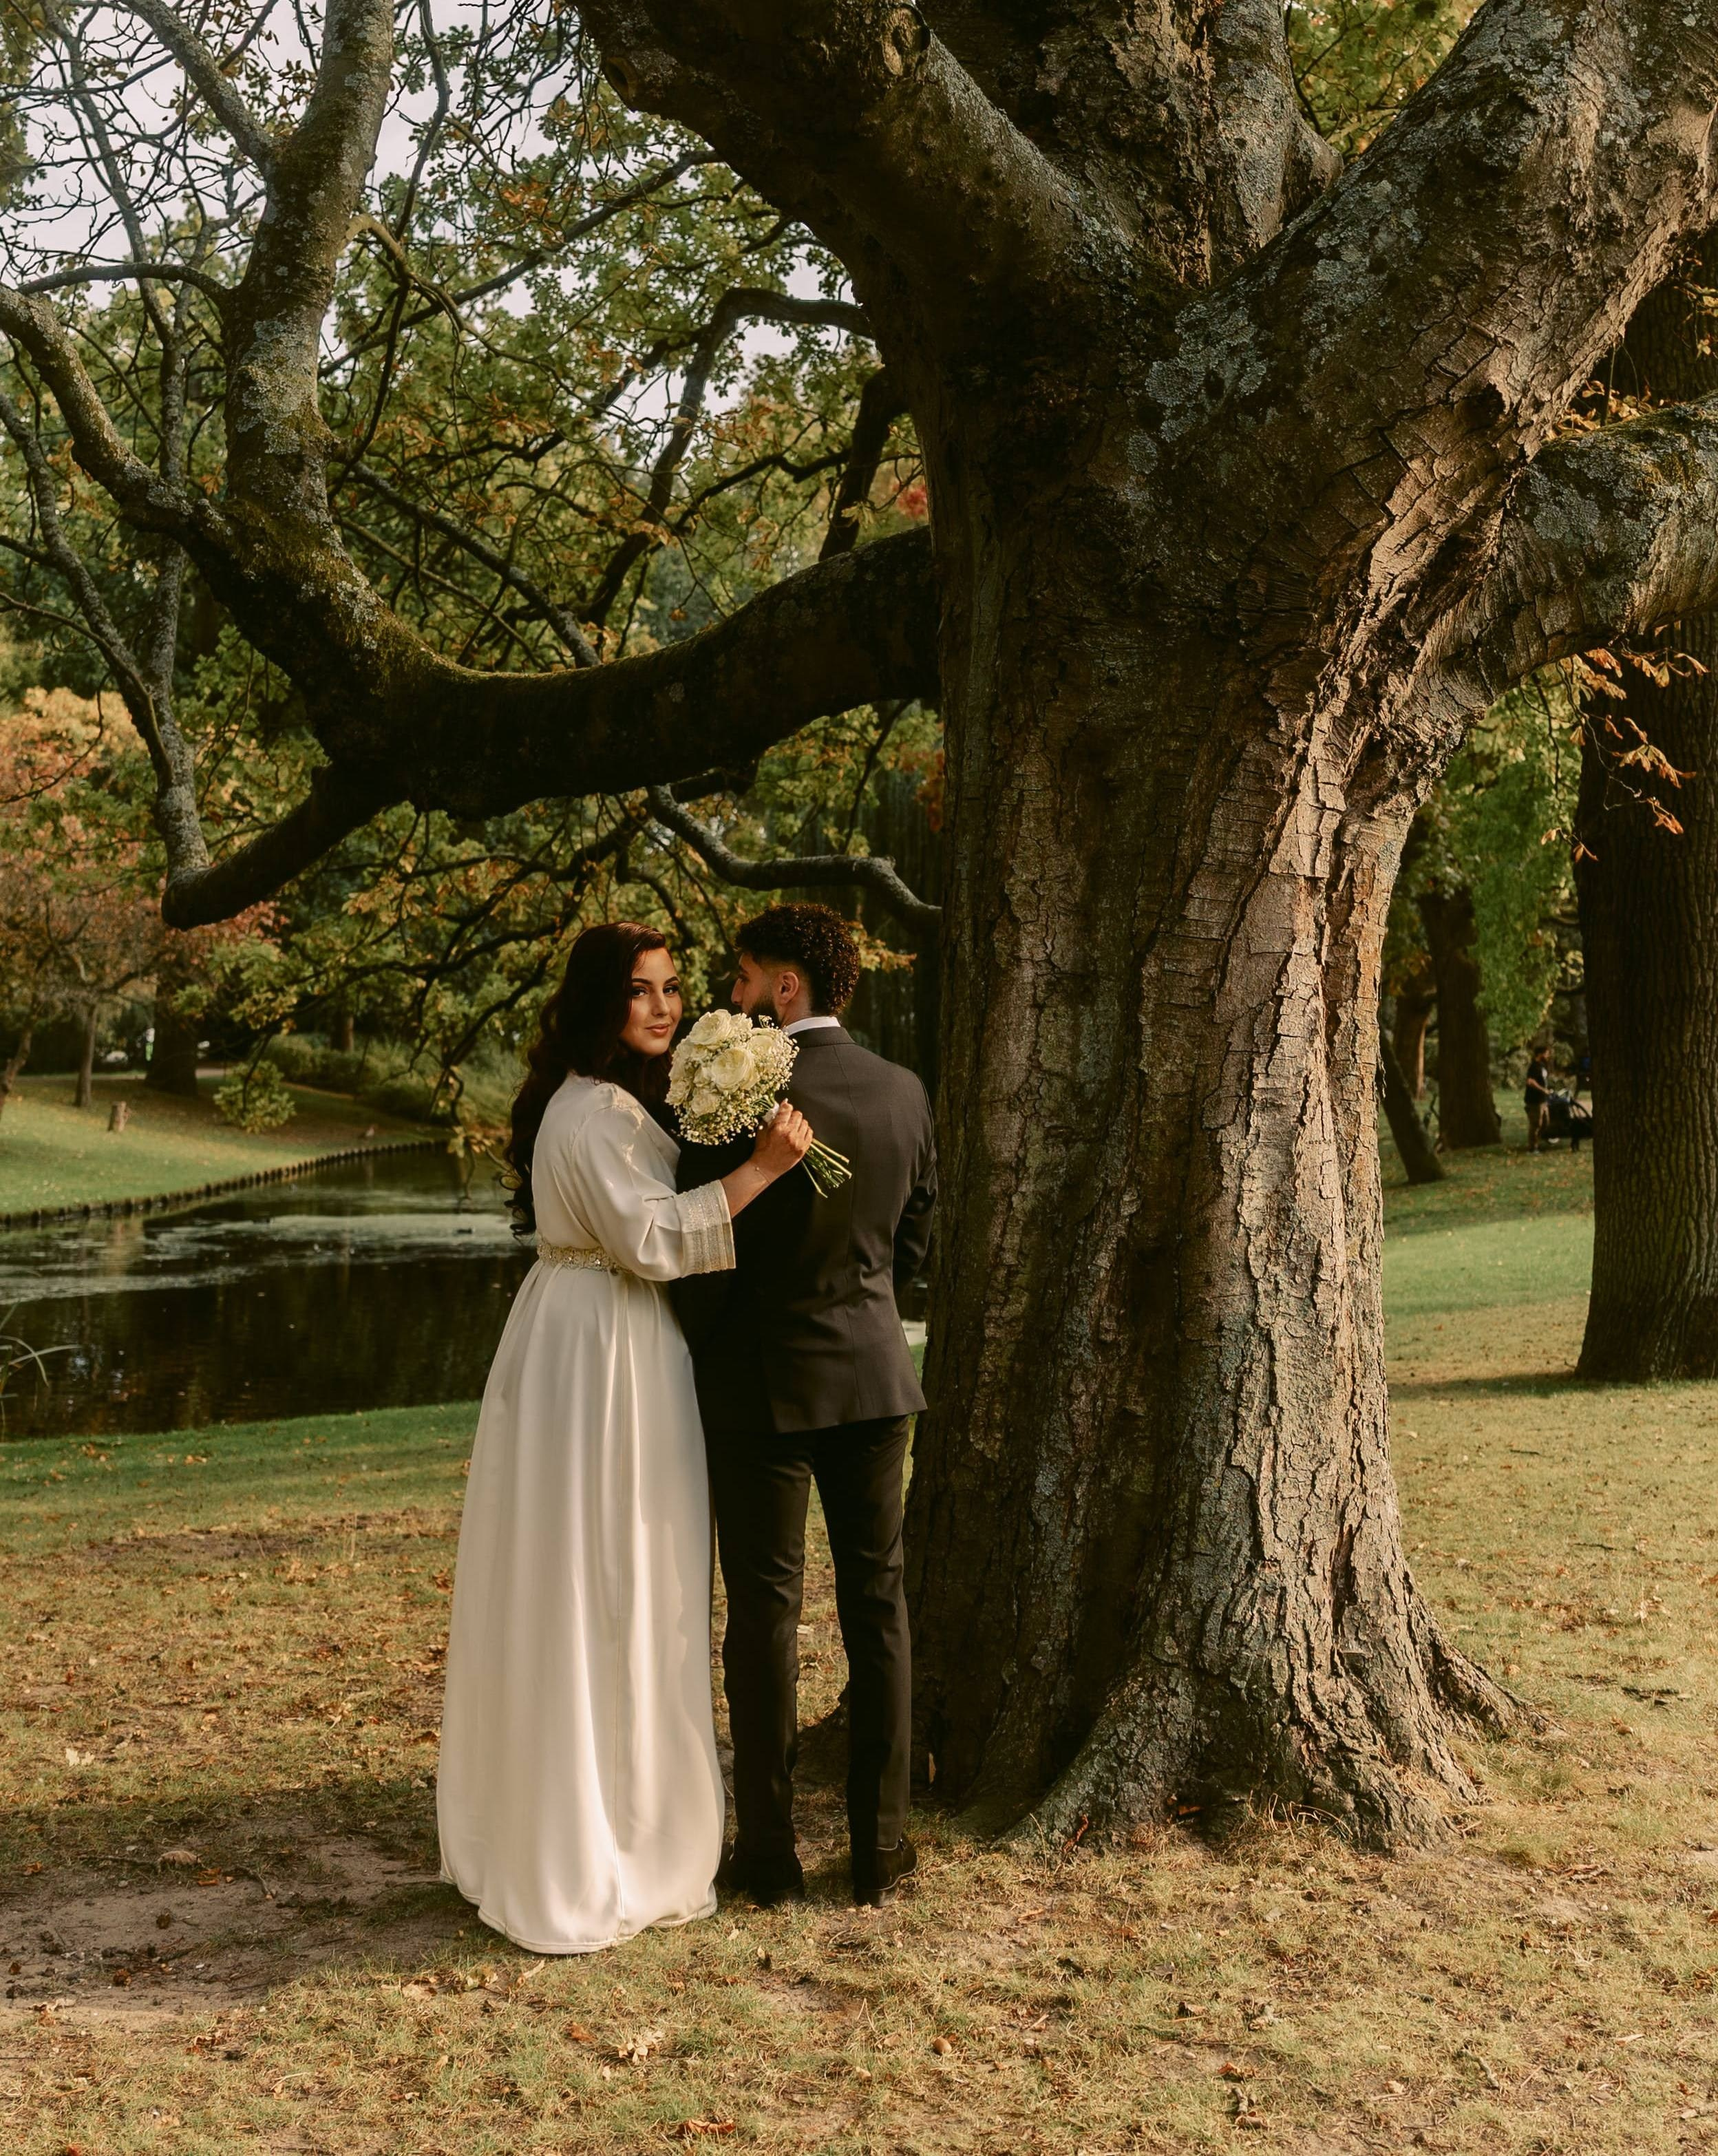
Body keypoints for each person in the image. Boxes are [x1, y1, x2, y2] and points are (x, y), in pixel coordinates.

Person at [436, 922, 812, 1954]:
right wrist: (764, 1169)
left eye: (672, 988)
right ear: (601, 1002)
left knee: (586, 1572)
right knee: (614, 1573)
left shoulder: (591, 1100)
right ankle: (600, 1835)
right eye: (640, 991)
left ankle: (581, 1811)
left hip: (575, 1335)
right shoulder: (598, 1113)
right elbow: (652, 1239)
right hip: (605, 1346)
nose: (663, 1007)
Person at [675, 904, 937, 1910]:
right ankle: (880, 1848)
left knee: (765, 1617)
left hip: (761, 1387)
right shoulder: (903, 1090)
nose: (732, 996)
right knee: (879, 1605)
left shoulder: (731, 1096)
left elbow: (702, 1248)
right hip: (873, 1379)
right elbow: (914, 1242)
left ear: (787, 986)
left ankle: (771, 1856)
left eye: (744, 978)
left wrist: (707, 1343)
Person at [1524, 1044, 1552, 1152]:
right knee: (1536, 1124)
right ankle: (1532, 1148)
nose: (1548, 1056)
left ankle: (1536, 1142)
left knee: (1545, 1123)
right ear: (1540, 1054)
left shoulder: (1542, 1066)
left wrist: (1548, 1090)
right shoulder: (1534, 1066)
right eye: (1546, 1054)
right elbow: (1530, 1081)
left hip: (1543, 1100)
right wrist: (1543, 1090)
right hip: (1534, 1100)